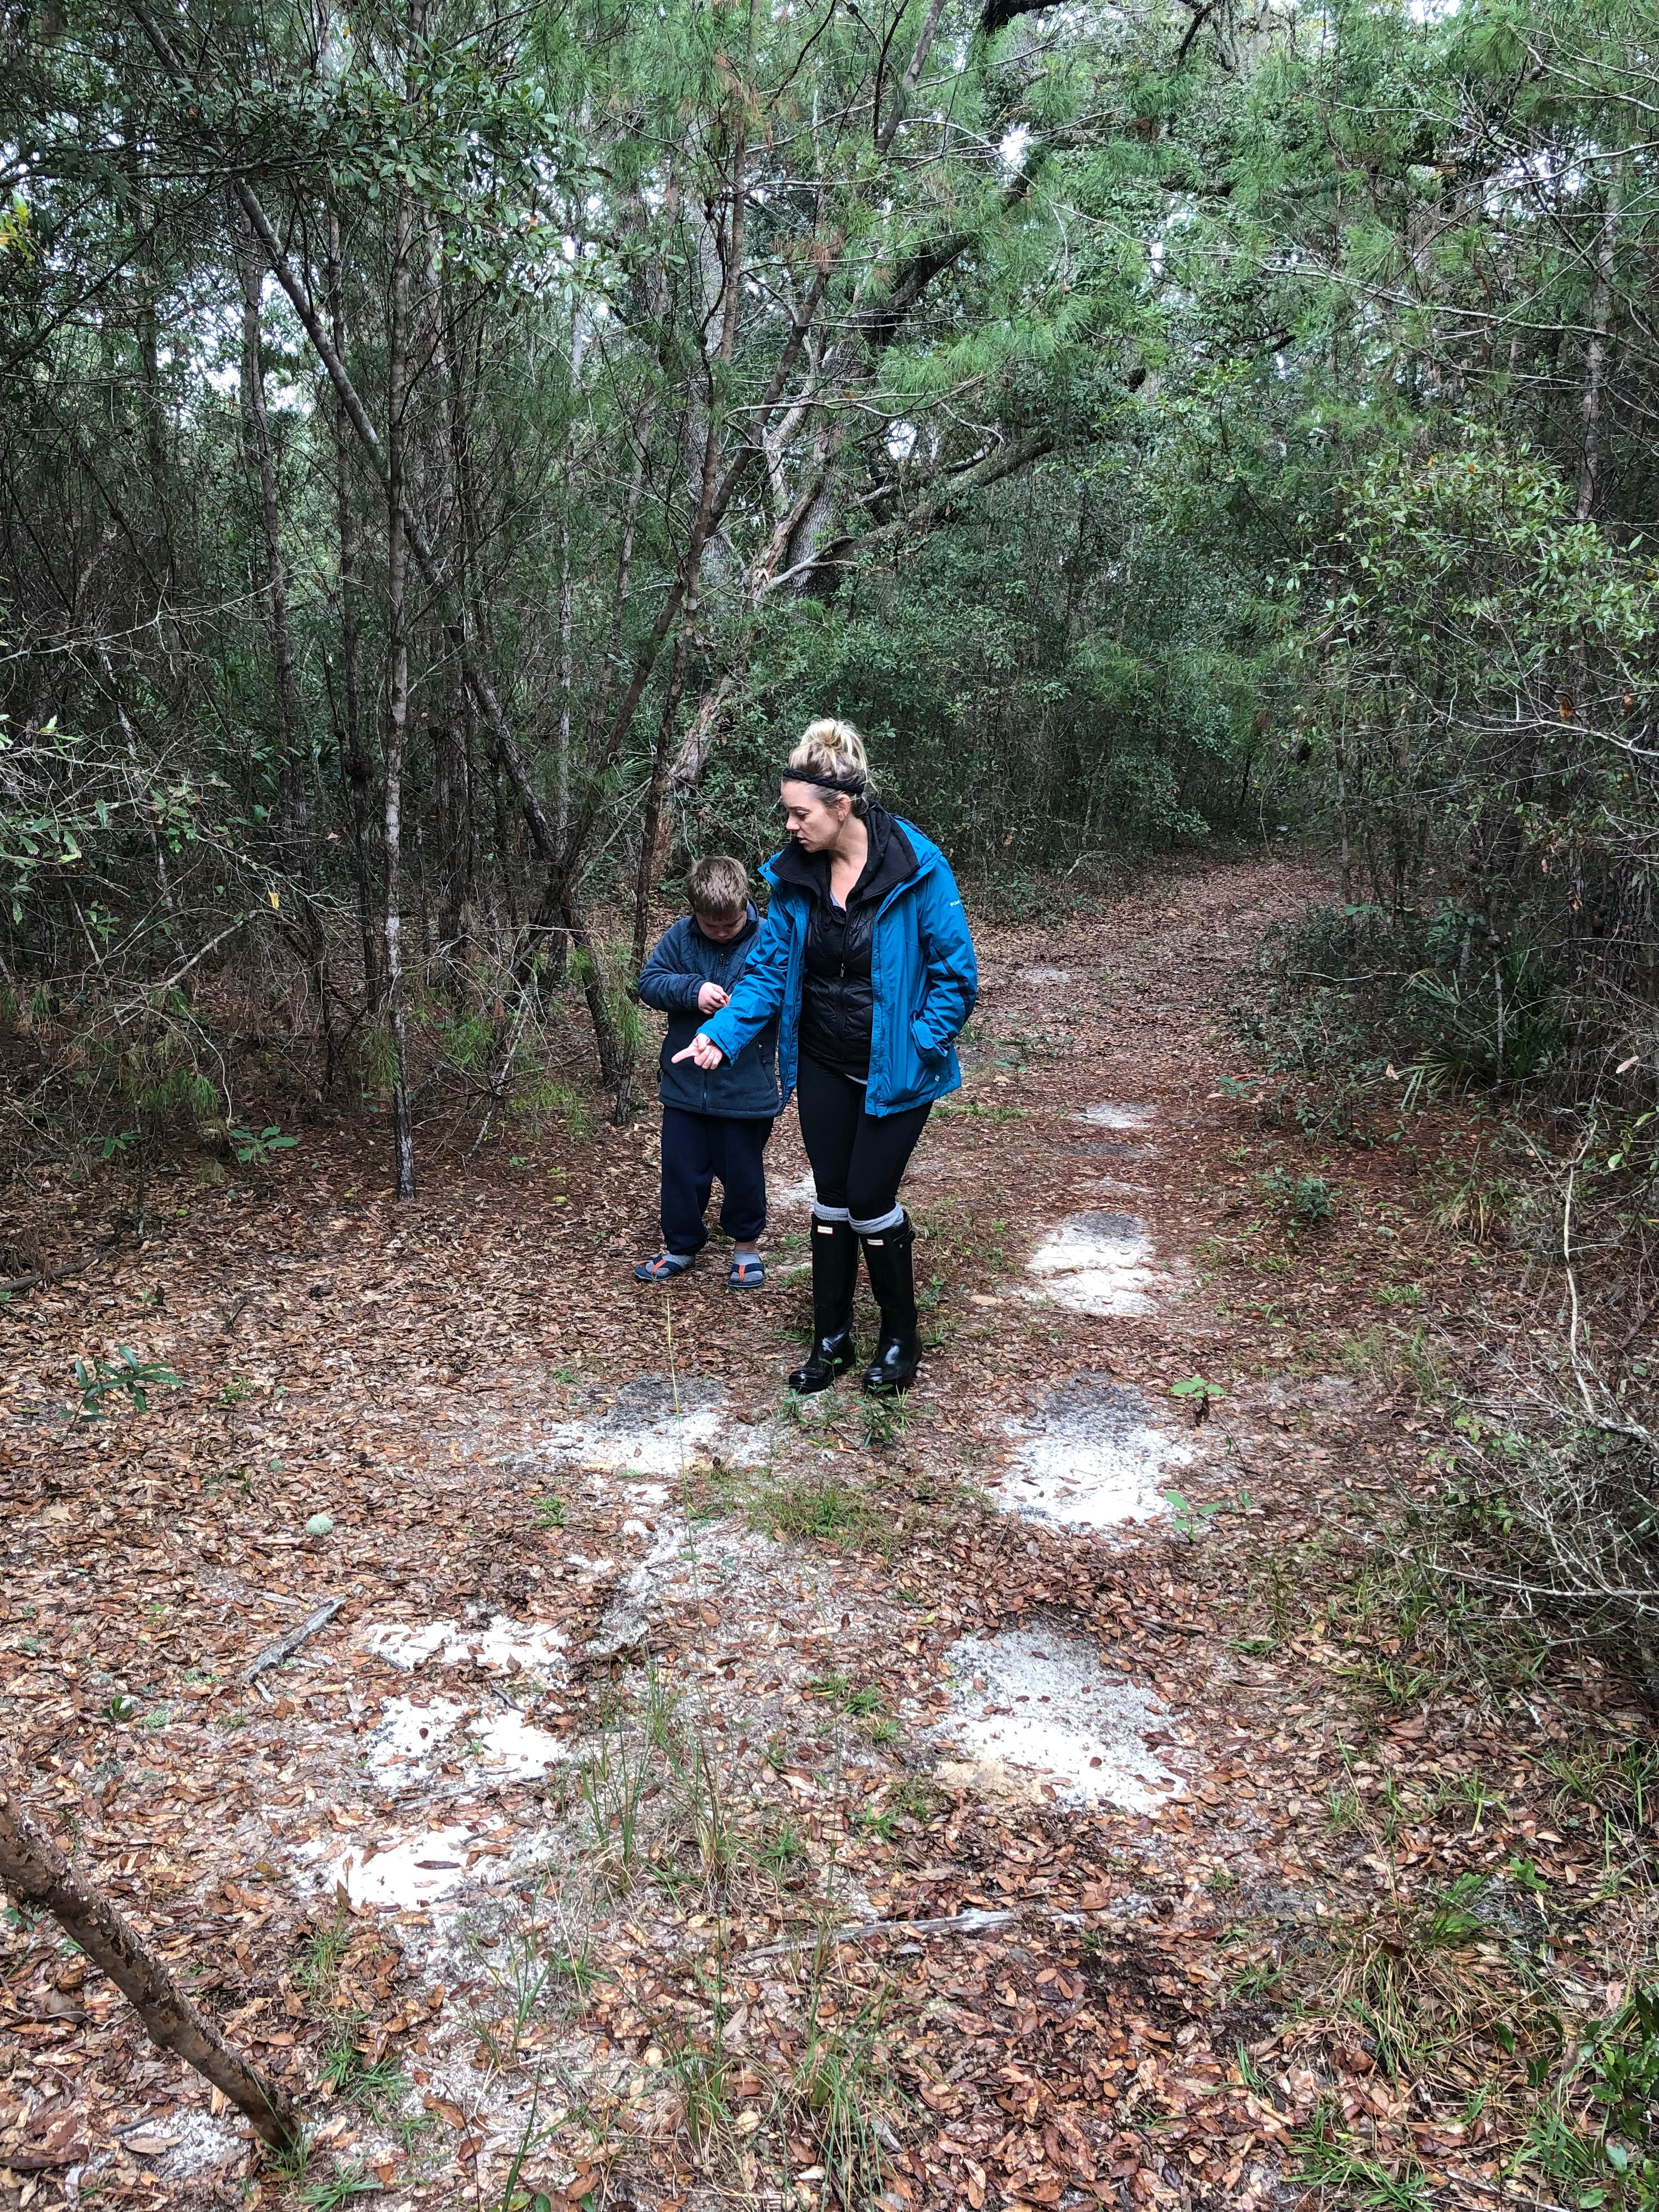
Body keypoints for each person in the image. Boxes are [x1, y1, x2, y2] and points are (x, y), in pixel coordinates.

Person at [673, 720, 977, 1392]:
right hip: (822, 1061)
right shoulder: (795, 879)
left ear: (842, 807)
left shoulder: (917, 869)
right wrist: (720, 1036)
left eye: (799, 812)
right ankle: (831, 1340)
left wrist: (920, 1042)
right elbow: (769, 971)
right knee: (832, 1199)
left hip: (898, 1066)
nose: (790, 826)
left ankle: (901, 1339)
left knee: (870, 1197)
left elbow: (957, 975)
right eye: (788, 812)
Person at [634, 854, 780, 1288]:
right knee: (682, 1170)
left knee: (743, 1171)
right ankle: (681, 1246)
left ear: (745, 906)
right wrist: (690, 990)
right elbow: (649, 982)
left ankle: (745, 1248)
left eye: (729, 925)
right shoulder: (680, 937)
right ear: (694, 910)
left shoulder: (769, 937)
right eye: (710, 924)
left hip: (746, 1086)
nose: (719, 932)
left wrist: (742, 1011)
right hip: (685, 1085)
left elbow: (783, 994)